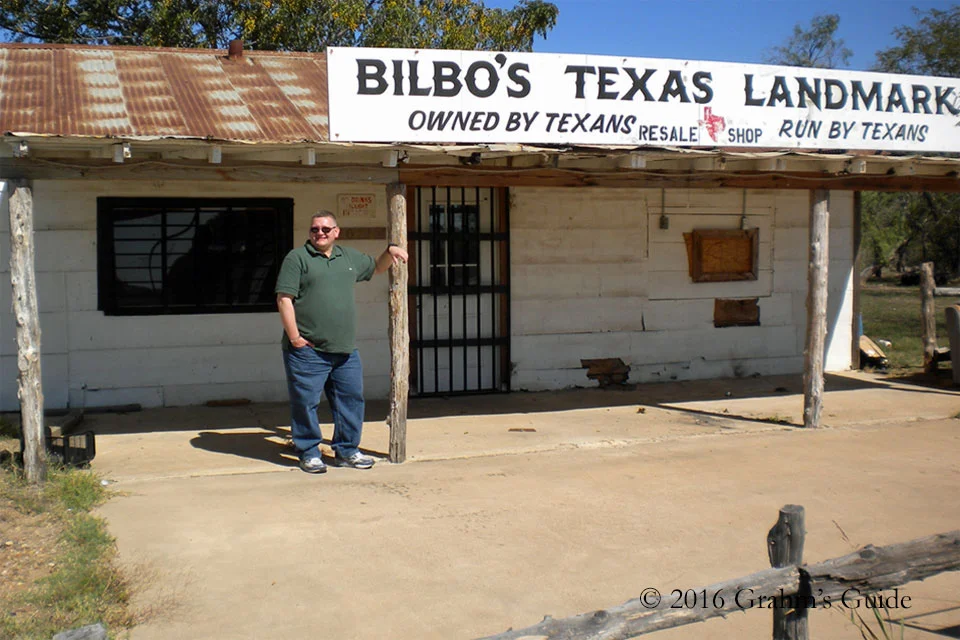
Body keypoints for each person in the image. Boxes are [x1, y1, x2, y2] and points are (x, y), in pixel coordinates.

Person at [275, 210, 408, 474]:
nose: (320, 233)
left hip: (345, 350)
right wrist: (295, 337)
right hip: (308, 350)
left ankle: (347, 451)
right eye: (315, 229)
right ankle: (309, 452)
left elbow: (376, 267)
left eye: (326, 229)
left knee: (351, 401)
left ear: (336, 232)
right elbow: (284, 299)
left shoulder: (347, 257)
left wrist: (390, 250)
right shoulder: (297, 258)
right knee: (306, 403)